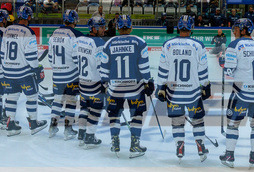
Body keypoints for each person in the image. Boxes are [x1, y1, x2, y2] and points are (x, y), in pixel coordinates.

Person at [157, 15, 212, 161]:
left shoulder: (168, 45)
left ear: (178, 27)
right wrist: (205, 85)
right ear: (191, 28)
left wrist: (160, 87)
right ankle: (200, 146)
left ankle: (179, 147)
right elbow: (203, 70)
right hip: (192, 92)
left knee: (177, 121)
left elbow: (163, 69)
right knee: (198, 120)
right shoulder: (198, 45)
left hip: (173, 93)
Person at [99, 14, 152, 158]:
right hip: (135, 88)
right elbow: (144, 67)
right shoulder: (139, 42)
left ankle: (114, 142)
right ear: (131, 27)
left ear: (117, 27)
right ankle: (135, 145)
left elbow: (104, 68)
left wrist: (104, 84)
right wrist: (149, 81)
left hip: (115, 89)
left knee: (114, 115)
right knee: (137, 114)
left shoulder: (108, 43)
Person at [220, 18, 254, 167]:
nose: (234, 32)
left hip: (241, 92)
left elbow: (229, 70)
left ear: (243, 30)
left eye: (236, 29)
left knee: (233, 124)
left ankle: (229, 156)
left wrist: (223, 61)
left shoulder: (235, 45)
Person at [1, 6, 48, 136]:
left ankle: (10, 125)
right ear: (28, 17)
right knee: (32, 96)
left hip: (8, 72)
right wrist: (36, 68)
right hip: (24, 73)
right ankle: (33, 123)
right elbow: (31, 57)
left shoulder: (7, 30)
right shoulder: (29, 32)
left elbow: (2, 52)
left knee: (11, 96)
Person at [47, 9, 84, 139]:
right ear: (75, 20)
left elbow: (50, 57)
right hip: (71, 75)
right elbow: (77, 57)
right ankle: (68, 129)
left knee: (57, 100)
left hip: (57, 74)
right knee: (71, 100)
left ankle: (52, 126)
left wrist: (57, 68)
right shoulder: (76, 34)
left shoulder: (54, 33)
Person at [73, 16, 108, 148]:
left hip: (82, 81)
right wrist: (106, 83)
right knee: (95, 109)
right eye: (102, 27)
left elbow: (75, 58)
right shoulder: (98, 43)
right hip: (94, 83)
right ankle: (90, 136)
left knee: (84, 107)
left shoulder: (79, 40)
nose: (104, 29)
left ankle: (81, 134)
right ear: (94, 28)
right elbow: (101, 66)